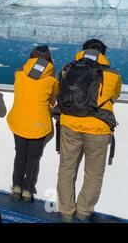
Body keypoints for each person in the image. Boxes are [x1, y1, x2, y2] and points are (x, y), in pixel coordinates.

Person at [56, 39, 122, 222]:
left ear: (83, 51)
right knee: (93, 174)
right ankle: (84, 212)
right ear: (103, 53)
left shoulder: (67, 69)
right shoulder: (112, 74)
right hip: (97, 128)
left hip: (69, 124)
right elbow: (114, 95)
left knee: (66, 169)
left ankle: (66, 212)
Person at [7, 46, 59, 203]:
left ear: (31, 58)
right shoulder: (52, 79)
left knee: (20, 154)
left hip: (19, 121)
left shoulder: (19, 73)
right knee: (33, 158)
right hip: (39, 124)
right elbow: (53, 99)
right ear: (49, 61)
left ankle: (16, 186)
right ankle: (28, 190)